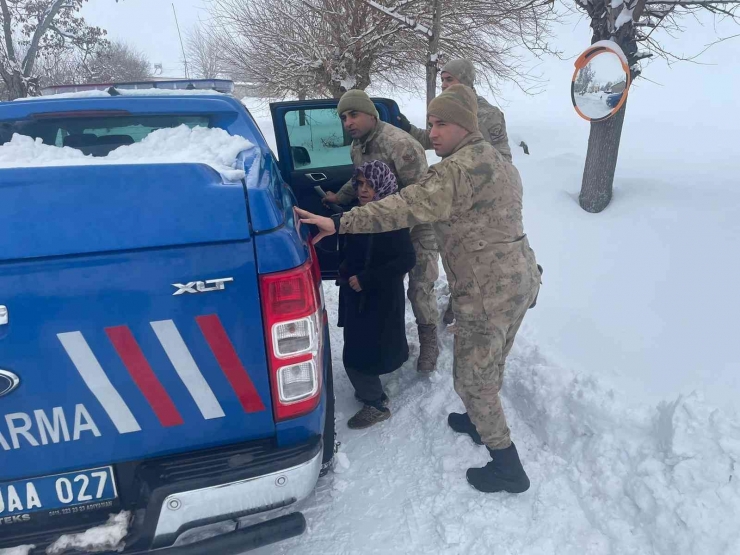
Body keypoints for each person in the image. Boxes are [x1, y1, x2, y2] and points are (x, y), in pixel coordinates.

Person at [296, 85, 541, 494]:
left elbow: (402, 205)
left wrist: (340, 223)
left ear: (466, 124)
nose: (434, 133)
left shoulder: (457, 169)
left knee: (471, 381)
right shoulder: (496, 160)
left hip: (486, 291)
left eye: (442, 124)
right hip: (521, 278)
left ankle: (507, 466)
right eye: (430, 124)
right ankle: (480, 421)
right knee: (492, 362)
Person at [323, 89, 442, 374]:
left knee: (420, 285)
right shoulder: (357, 146)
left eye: (353, 114)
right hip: (384, 225)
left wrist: (398, 236)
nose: (348, 122)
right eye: (343, 117)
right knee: (383, 285)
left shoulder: (400, 144)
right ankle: (388, 343)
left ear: (371, 114)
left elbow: (421, 195)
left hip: (417, 224)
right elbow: (359, 181)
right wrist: (338, 198)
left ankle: (429, 342)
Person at [398, 59, 514, 325]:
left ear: (466, 80)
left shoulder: (489, 114)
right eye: (442, 82)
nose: (445, 86)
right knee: (445, 250)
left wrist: (477, 170)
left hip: (475, 203)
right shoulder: (448, 110)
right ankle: (451, 303)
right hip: (447, 193)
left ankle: (461, 302)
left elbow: (504, 158)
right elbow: (432, 139)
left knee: (468, 256)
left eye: (449, 80)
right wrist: (407, 129)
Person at [337, 161, 416, 429]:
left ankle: (374, 403)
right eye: (360, 183)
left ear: (382, 185)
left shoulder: (390, 218)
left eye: (370, 184)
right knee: (369, 344)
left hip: (377, 297)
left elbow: (406, 259)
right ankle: (373, 384)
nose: (363, 189)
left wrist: (366, 279)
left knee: (357, 355)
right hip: (358, 295)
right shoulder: (358, 212)